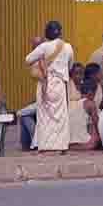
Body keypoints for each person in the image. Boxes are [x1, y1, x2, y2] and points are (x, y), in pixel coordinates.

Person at [25, 21, 74, 153]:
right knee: (61, 116)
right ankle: (62, 147)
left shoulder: (44, 47)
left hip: (46, 83)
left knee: (44, 116)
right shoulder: (68, 46)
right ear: (60, 32)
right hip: (60, 84)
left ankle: (45, 146)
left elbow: (28, 59)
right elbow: (70, 65)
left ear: (46, 34)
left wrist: (42, 58)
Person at [69, 79, 102, 151]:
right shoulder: (90, 104)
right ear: (91, 93)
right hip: (86, 142)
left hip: (69, 142)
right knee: (96, 124)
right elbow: (97, 125)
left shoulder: (73, 103)